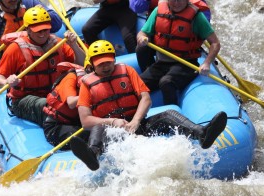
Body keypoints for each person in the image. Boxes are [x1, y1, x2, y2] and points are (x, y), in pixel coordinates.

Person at [70, 40, 227, 171]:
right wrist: (113, 122)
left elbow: (146, 99)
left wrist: (136, 121)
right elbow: (86, 121)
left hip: (137, 124)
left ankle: (201, 133)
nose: (105, 67)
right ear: (92, 65)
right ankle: (93, 155)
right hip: (112, 132)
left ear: (114, 60)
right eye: (100, 64)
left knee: (168, 114)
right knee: (98, 128)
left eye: (108, 62)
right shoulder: (86, 84)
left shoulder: (127, 70)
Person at [0, 7, 85, 126]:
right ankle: (60, 134)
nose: (43, 34)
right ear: (28, 30)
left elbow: (82, 64)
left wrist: (74, 46)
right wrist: (7, 81)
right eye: (38, 31)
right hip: (23, 100)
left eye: (46, 30)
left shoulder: (58, 43)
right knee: (51, 106)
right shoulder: (15, 49)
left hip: (54, 94)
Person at [136, 0, 220, 105]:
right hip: (161, 63)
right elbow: (142, 32)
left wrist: (207, 63)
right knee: (138, 85)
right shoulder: (158, 10)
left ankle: (173, 116)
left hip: (186, 64)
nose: (176, 3)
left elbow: (215, 43)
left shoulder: (197, 17)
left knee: (166, 82)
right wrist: (142, 37)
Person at [0, 0, 62, 73]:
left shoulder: (30, 3)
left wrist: (45, 15)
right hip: (18, 68)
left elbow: (57, 24)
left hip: (44, 56)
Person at [133, 0, 211, 73]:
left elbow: (205, 23)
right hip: (159, 34)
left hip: (184, 40)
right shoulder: (159, 8)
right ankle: (150, 71)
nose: (176, 2)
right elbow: (137, 7)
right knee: (141, 49)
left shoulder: (196, 12)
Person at [42, 62, 90, 150]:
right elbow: (71, 102)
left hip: (76, 122)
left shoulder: (104, 81)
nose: (104, 68)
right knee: (85, 137)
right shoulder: (71, 77)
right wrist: (91, 94)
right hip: (56, 125)